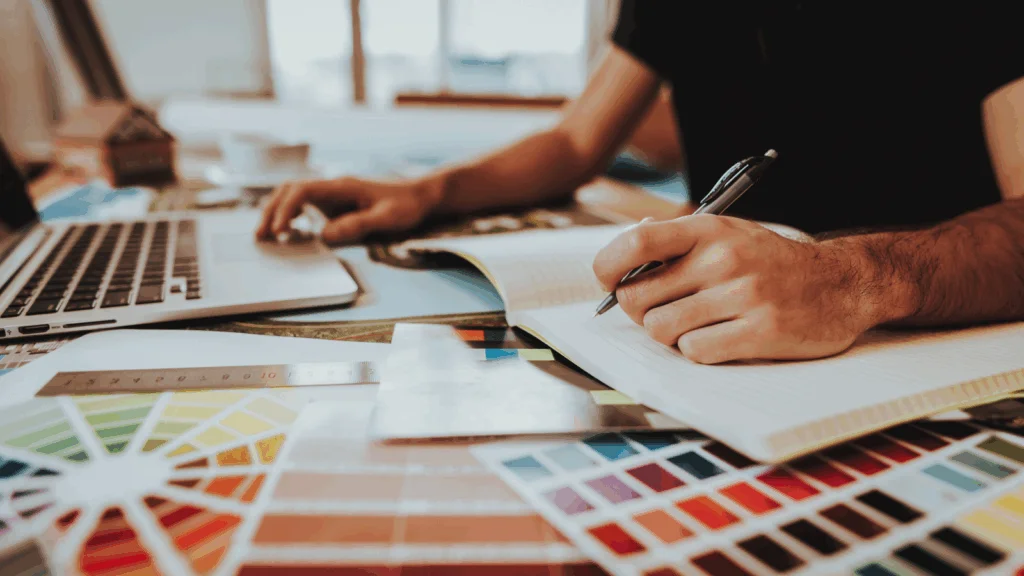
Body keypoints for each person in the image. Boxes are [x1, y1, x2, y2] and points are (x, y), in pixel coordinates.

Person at [258, 2, 1024, 364]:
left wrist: (851, 279)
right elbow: (574, 141)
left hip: (931, 333)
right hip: (717, 340)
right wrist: (430, 192)